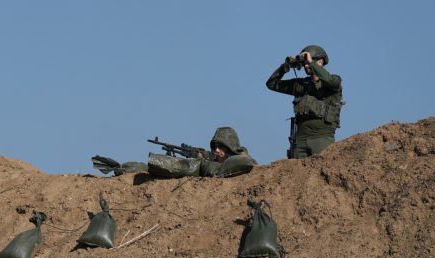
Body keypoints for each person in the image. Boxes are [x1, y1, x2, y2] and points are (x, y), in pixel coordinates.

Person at [266, 44, 343, 159]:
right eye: (304, 62)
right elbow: (271, 84)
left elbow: (329, 80)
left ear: (320, 61)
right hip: (300, 141)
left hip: (322, 138)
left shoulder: (334, 81)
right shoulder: (301, 85)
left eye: (307, 61)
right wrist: (285, 67)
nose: (305, 65)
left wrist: (311, 63)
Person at [92, 126, 256, 178]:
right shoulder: (215, 159)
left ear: (231, 147)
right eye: (215, 147)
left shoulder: (241, 160)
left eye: (222, 147)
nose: (217, 151)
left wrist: (202, 161)